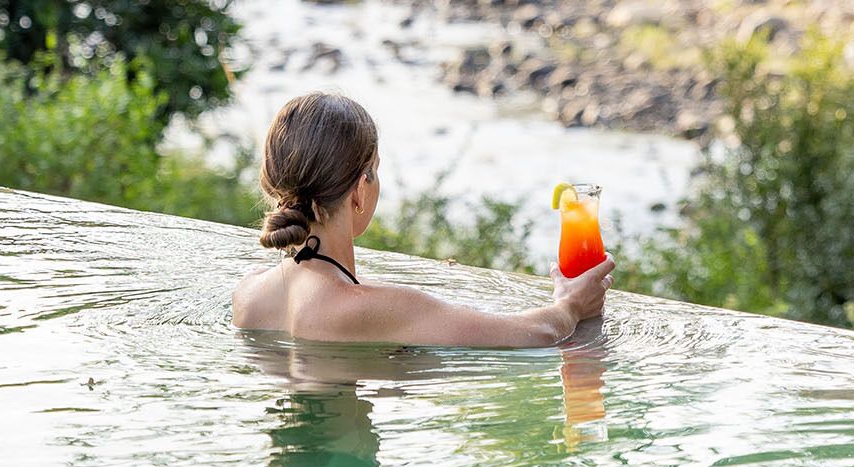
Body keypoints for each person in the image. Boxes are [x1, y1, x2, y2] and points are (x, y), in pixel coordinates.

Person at [233, 91, 613, 345]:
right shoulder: (382, 308)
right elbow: (536, 334)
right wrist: (571, 304)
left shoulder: (249, 294)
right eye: (375, 170)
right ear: (359, 191)